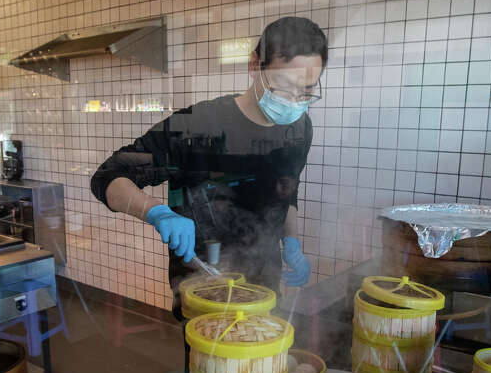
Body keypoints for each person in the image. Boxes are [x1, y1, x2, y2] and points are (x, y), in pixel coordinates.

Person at [91, 16, 325, 303]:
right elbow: (108, 176)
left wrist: (291, 241)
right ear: (255, 65)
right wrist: (156, 212)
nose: (294, 101)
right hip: (203, 291)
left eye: (307, 91)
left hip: (265, 289)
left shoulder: (300, 129)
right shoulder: (199, 125)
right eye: (284, 86)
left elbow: (287, 191)